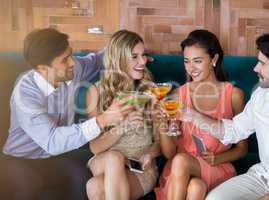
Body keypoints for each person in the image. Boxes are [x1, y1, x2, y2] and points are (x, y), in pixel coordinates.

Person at [0, 28, 134, 200]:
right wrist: (103, 119)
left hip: (56, 157)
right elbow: (52, 141)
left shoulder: (72, 69)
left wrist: (132, 54)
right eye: (65, 60)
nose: (73, 62)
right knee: (28, 187)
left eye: (70, 54)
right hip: (21, 158)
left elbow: (100, 59)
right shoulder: (25, 95)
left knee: (81, 179)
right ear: (42, 68)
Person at [182, 31, 269, 200]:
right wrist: (190, 115)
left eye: (262, 63)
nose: (255, 68)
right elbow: (234, 130)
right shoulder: (262, 95)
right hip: (262, 176)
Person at [155, 29, 248, 200]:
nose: (191, 68)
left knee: (182, 162)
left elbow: (242, 149)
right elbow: (169, 154)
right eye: (187, 61)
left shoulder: (234, 95)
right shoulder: (177, 96)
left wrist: (218, 158)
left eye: (198, 61)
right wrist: (161, 123)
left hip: (217, 168)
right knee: (196, 186)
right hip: (179, 172)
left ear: (214, 59)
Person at [85, 29, 161, 200]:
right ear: (118, 59)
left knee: (95, 186)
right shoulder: (95, 91)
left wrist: (150, 155)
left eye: (143, 55)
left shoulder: (150, 90)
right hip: (104, 160)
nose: (142, 61)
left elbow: (159, 141)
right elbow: (95, 147)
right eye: (134, 56)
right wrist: (125, 125)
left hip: (140, 167)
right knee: (114, 158)